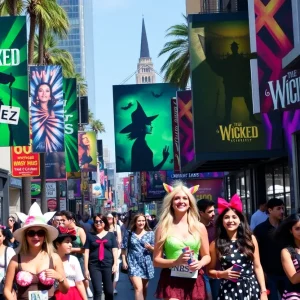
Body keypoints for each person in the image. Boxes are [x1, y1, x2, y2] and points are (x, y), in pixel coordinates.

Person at [154, 182, 210, 300]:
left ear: (190, 203)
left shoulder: (199, 227)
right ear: (171, 203)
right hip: (171, 280)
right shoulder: (162, 228)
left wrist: (200, 263)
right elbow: (156, 261)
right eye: (177, 198)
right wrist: (176, 261)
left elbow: (206, 256)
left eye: (185, 198)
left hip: (194, 279)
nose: (181, 201)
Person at [4, 202, 69, 300]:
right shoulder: (16, 260)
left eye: (40, 233)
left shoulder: (54, 258)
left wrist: (60, 278)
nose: (36, 237)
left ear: (45, 236)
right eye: (31, 233)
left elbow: (65, 290)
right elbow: (7, 290)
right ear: (25, 236)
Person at [207, 194, 267, 300]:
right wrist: (222, 274)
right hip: (228, 291)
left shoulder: (250, 239)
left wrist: (263, 291)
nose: (230, 221)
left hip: (251, 288)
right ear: (222, 221)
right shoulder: (215, 244)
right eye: (226, 217)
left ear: (240, 221)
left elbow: (257, 267)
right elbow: (209, 271)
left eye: (234, 217)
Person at [119, 101, 169, 171]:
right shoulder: (140, 144)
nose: (151, 127)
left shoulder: (140, 142)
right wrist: (164, 159)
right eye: (149, 124)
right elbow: (151, 170)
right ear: (142, 127)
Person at [254, 198, 285, 299]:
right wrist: (261, 272)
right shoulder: (260, 230)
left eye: (282, 208)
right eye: (278, 208)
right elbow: (255, 253)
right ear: (270, 210)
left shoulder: (286, 228)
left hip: (287, 273)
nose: (282, 211)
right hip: (268, 274)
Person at [84, 214, 118, 300]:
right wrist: (86, 269)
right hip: (94, 265)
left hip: (108, 265)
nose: (98, 223)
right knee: (97, 290)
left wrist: (115, 264)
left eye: (100, 221)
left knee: (109, 291)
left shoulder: (111, 235)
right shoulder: (90, 235)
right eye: (96, 222)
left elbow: (115, 250)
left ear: (105, 222)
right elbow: (86, 252)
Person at [121, 213, 155, 300]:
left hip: (146, 263)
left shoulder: (150, 234)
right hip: (133, 263)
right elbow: (124, 248)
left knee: (144, 289)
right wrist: (124, 261)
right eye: (139, 221)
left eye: (143, 221)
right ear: (135, 222)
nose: (141, 223)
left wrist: (150, 248)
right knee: (138, 288)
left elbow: (156, 250)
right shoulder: (129, 234)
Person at [60, 211, 92, 298]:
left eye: (64, 220)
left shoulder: (80, 230)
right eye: (61, 220)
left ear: (71, 220)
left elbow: (86, 248)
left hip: (78, 258)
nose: (62, 222)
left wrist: (72, 249)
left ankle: (87, 288)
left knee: (80, 278)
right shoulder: (61, 231)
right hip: (64, 259)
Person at [53, 226, 87, 300]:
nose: (70, 245)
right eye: (67, 242)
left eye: (71, 242)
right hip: (56, 295)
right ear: (57, 244)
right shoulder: (50, 260)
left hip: (74, 295)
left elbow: (79, 283)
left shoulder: (73, 259)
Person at [31, 82, 64, 153]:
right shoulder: (32, 112)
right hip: (36, 149)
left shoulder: (55, 114)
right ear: (37, 95)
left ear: (50, 96)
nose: (44, 93)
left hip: (55, 150)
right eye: (40, 91)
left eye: (47, 91)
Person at [274, 214, 300, 299]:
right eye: (297, 229)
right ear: (290, 230)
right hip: (295, 295)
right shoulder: (286, 252)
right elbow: (294, 279)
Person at [197, 199, 217, 300]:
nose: (213, 214)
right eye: (210, 212)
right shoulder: (193, 229)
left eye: (214, 211)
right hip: (201, 272)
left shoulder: (217, 227)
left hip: (217, 270)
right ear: (201, 213)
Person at [107, 213, 122, 294]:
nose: (109, 219)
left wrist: (119, 245)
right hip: (106, 250)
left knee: (115, 268)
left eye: (110, 218)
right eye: (107, 218)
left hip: (116, 250)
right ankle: (107, 285)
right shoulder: (104, 227)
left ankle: (113, 288)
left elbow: (119, 239)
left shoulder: (117, 227)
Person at [0, 226, 15, 300]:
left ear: (4, 237)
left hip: (4, 287)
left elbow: (15, 269)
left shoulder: (9, 251)